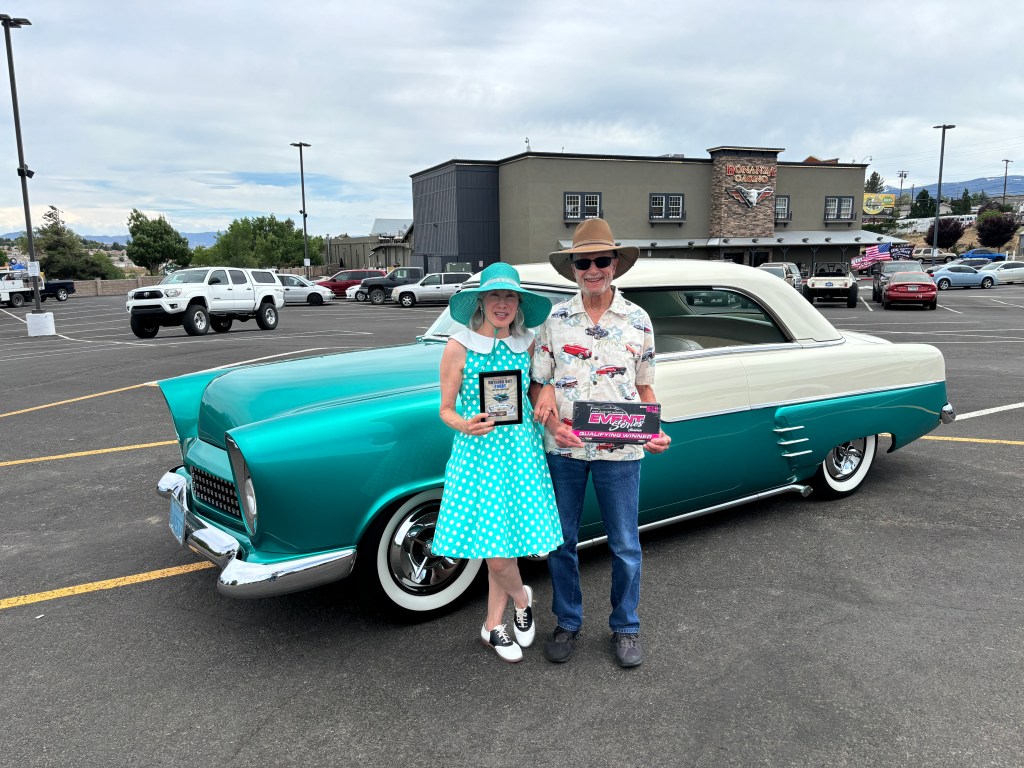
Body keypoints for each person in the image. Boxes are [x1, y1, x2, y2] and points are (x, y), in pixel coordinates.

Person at [529, 218, 671, 668]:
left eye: (601, 261)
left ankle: (626, 626)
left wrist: (654, 428)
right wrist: (551, 420)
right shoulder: (554, 320)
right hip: (564, 448)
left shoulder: (638, 319)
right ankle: (567, 621)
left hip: (622, 450)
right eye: (583, 263)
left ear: (615, 264)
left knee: (625, 543)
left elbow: (644, 385)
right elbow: (538, 383)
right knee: (561, 542)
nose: (592, 270)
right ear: (573, 268)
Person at [432, 262, 564, 663]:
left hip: (521, 453)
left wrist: (548, 393)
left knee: (502, 542)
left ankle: (492, 626)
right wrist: (464, 424)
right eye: (495, 295)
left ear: (519, 303)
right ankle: (523, 599)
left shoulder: (529, 343)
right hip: (479, 456)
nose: (502, 304)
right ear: (481, 301)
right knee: (497, 551)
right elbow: (445, 409)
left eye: (510, 296)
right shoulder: (459, 345)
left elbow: (541, 386)